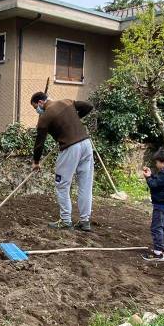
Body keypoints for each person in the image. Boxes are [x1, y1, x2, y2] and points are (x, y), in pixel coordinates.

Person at [30, 91, 95, 231]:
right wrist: (75, 119)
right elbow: (88, 106)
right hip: (86, 145)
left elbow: (39, 143)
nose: (37, 110)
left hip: (70, 148)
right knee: (85, 185)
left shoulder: (44, 117)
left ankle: (66, 221)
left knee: (62, 184)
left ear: (41, 102)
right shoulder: (67, 101)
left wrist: (36, 162)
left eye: (36, 107)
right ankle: (85, 221)